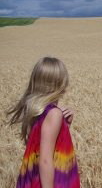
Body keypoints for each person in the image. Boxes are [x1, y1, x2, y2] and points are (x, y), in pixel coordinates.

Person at [7, 57, 80, 188]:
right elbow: (45, 160)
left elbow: (45, 146)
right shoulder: (54, 114)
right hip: (52, 182)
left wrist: (65, 127)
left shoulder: (38, 111)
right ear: (60, 83)